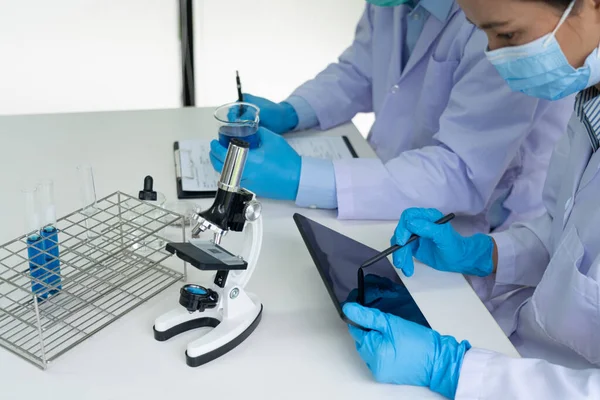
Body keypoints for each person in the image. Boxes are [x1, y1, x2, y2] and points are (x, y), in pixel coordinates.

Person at [343, 0, 600, 398]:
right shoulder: (590, 100)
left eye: (508, 35)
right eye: (484, 34)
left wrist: (452, 368)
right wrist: (482, 253)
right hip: (518, 343)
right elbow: (562, 232)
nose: (494, 56)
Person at [210, 0, 574, 235]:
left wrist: (303, 177)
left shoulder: (495, 20)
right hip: (388, 187)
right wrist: (293, 110)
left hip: (478, 225)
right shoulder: (394, 3)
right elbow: (360, 69)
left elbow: (459, 170)